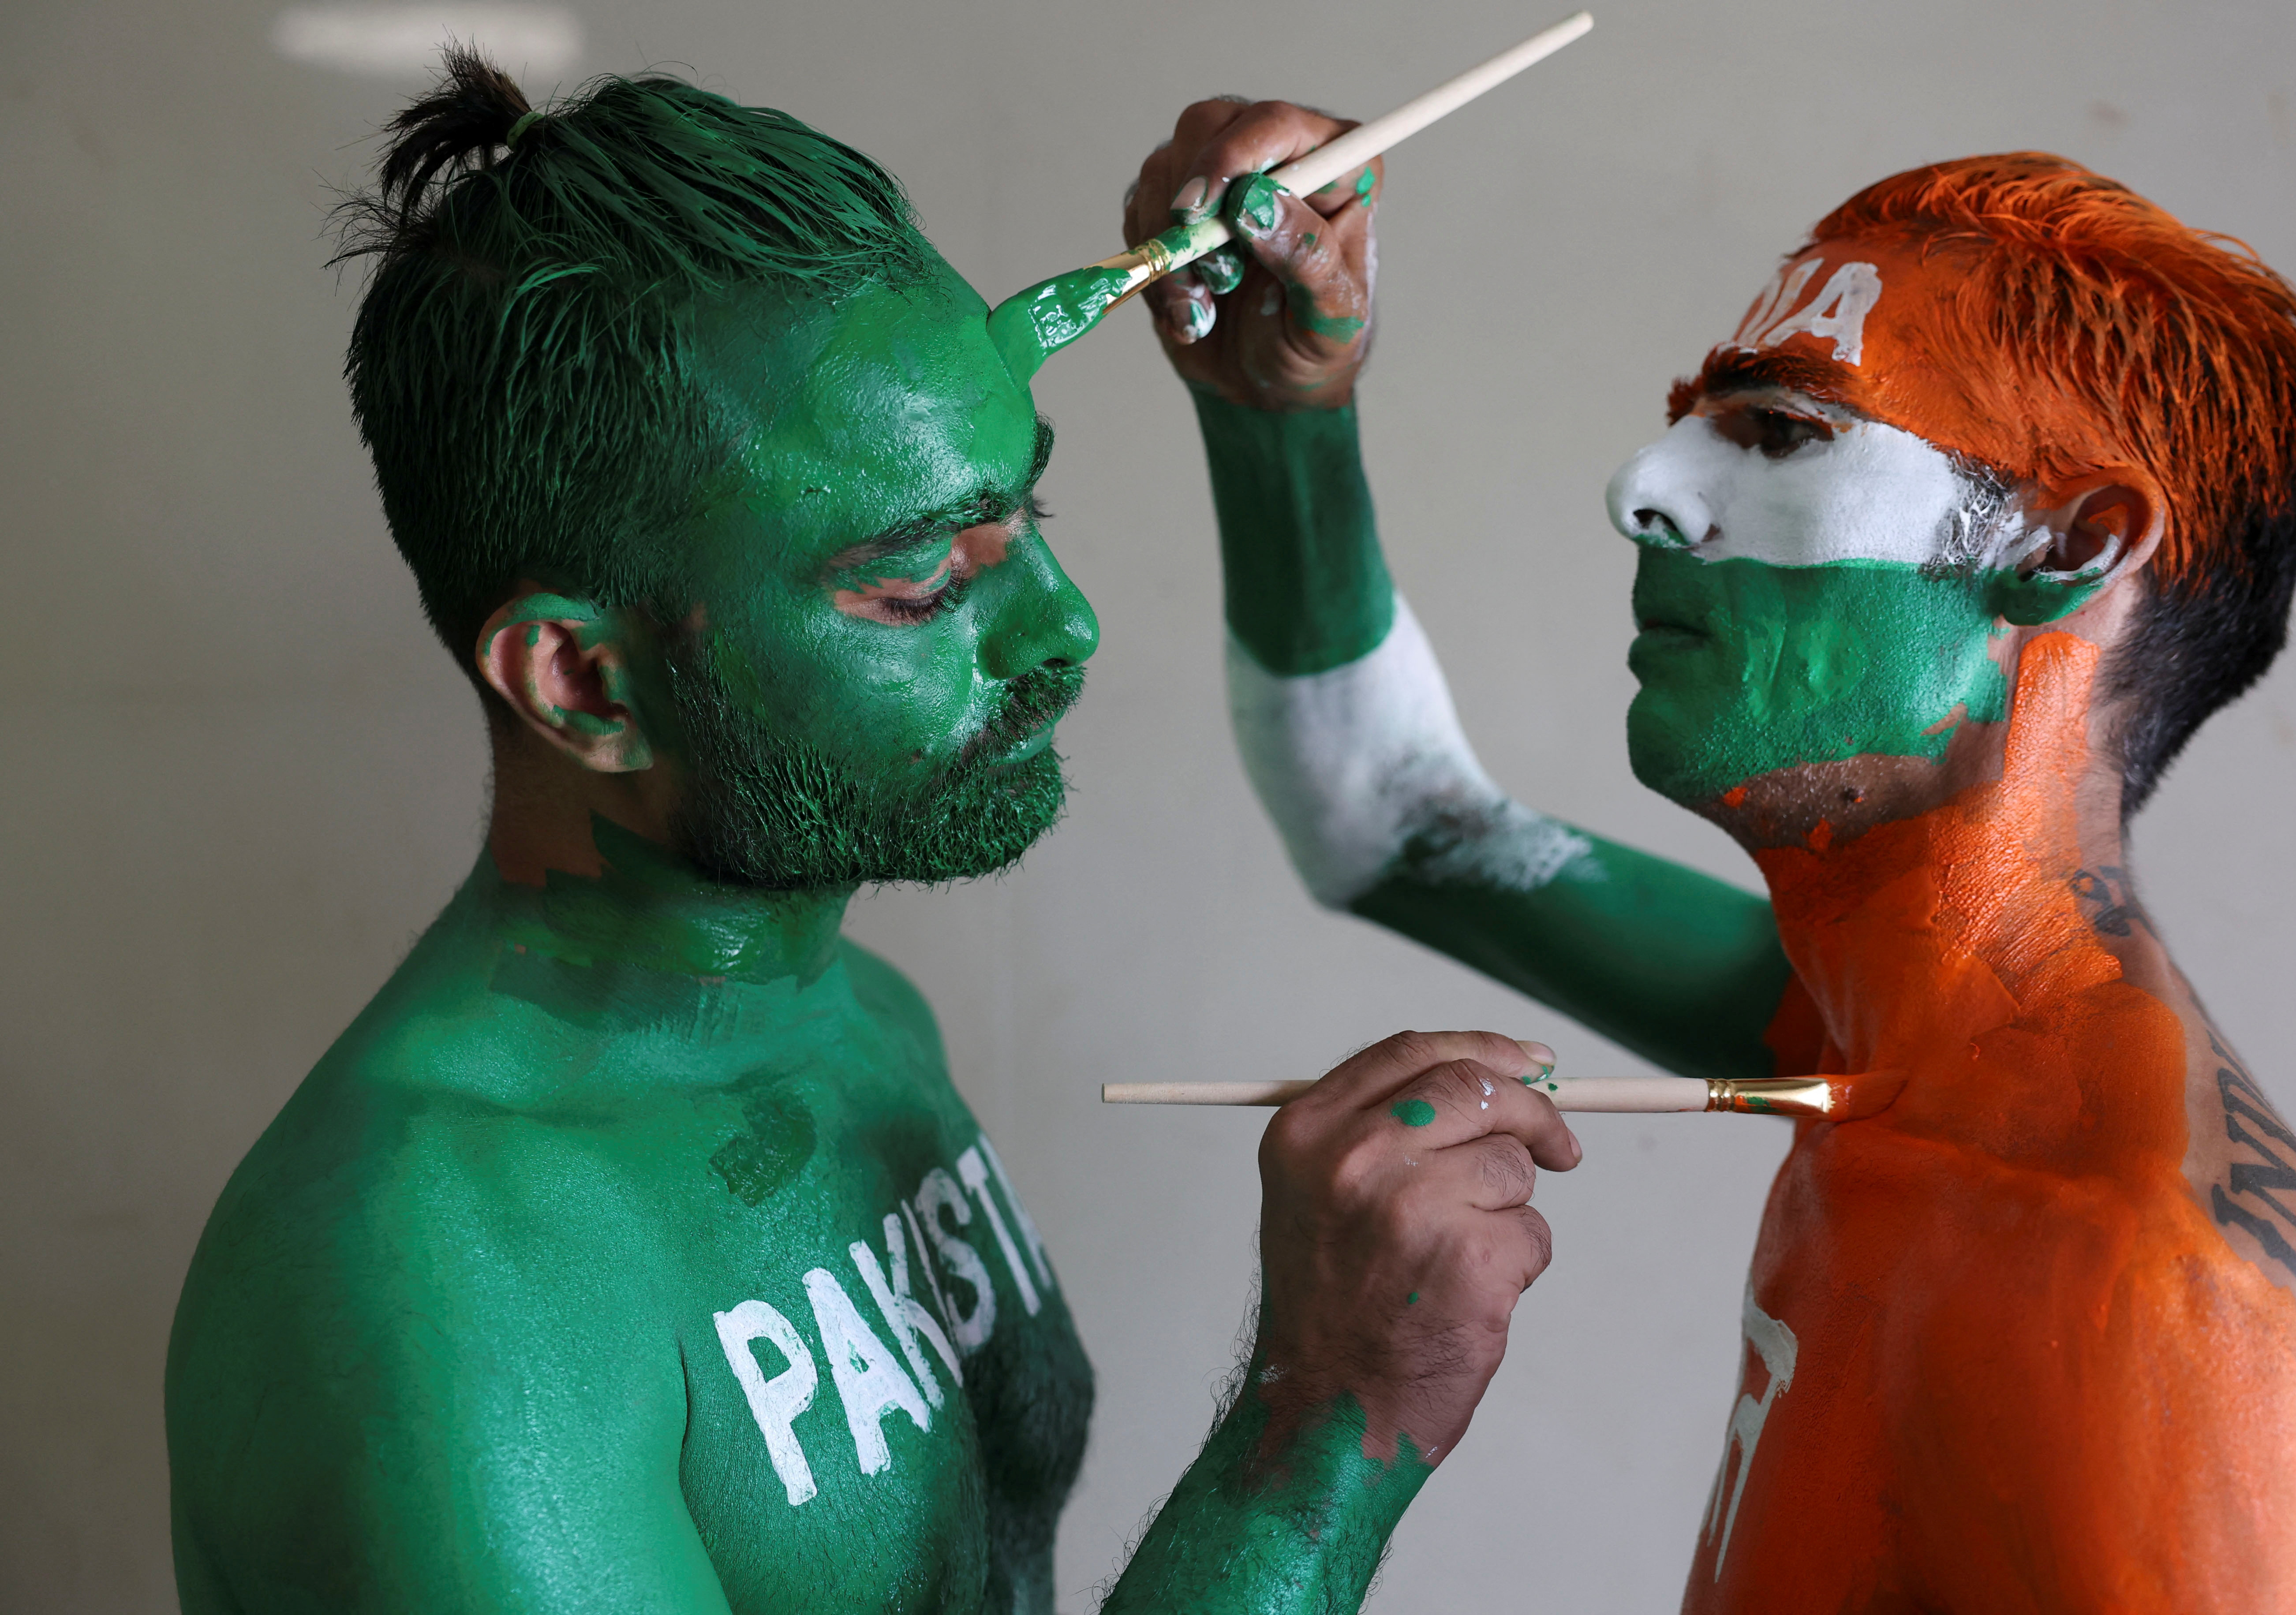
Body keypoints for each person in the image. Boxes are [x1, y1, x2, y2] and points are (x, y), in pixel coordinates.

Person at [165, 54, 1587, 1615]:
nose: (1069, 626)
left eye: (1024, 519)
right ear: (582, 681)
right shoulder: (432, 1288)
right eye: (921, 586)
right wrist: (1319, 1433)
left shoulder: (863, 1024)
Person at [1129, 99, 2296, 1612]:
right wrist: (1280, 414)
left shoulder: (2128, 1278)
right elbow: (1393, 817)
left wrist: (1321, 1432)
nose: (1643, 489)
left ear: (2064, 550)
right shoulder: (1880, 1032)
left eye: (1784, 431)